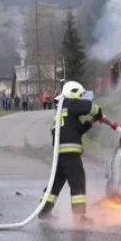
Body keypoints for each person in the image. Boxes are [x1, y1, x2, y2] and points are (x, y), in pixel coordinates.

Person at [40, 81, 111, 223]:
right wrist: (100, 114)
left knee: (56, 183)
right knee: (78, 182)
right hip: (69, 153)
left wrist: (93, 121)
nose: (80, 98)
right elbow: (90, 107)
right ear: (73, 92)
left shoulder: (62, 110)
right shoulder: (69, 103)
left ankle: (44, 211)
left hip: (60, 154)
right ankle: (79, 217)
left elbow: (78, 130)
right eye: (79, 95)